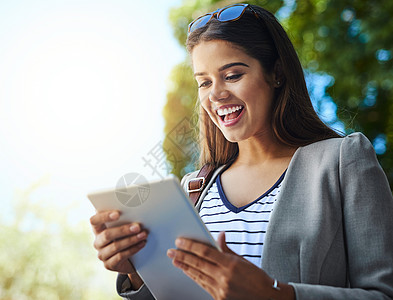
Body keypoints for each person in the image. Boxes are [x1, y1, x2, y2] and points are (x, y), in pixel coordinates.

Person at [90, 3, 393, 299]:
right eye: (204, 82)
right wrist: (136, 271)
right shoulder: (194, 189)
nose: (216, 95)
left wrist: (276, 295)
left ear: (276, 74)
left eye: (233, 75)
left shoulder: (342, 162)